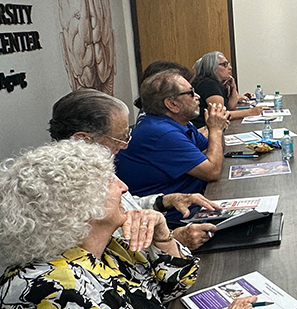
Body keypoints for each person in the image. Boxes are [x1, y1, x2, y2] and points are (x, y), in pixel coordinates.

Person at [0, 140, 256, 309]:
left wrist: (163, 235)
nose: (123, 186)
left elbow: (173, 286)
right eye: (109, 180)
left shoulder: (102, 250)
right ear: (75, 205)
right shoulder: (49, 294)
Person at [49, 89, 219, 250]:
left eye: (126, 136)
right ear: (82, 140)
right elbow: (111, 252)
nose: (124, 146)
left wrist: (164, 201)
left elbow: (125, 208)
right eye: (119, 138)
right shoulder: (66, 188)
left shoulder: (92, 164)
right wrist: (171, 238)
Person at [116, 70, 228, 198]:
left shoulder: (180, 123)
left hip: (195, 195)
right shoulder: (161, 133)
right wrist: (216, 129)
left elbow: (215, 151)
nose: (197, 96)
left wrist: (217, 128)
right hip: (174, 212)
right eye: (190, 93)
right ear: (172, 104)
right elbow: (212, 171)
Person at [189, 51, 261, 128]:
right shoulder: (208, 84)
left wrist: (233, 87)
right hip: (204, 130)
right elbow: (221, 115)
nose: (230, 68)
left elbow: (231, 107)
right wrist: (250, 112)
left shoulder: (217, 82)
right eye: (225, 64)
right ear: (212, 67)